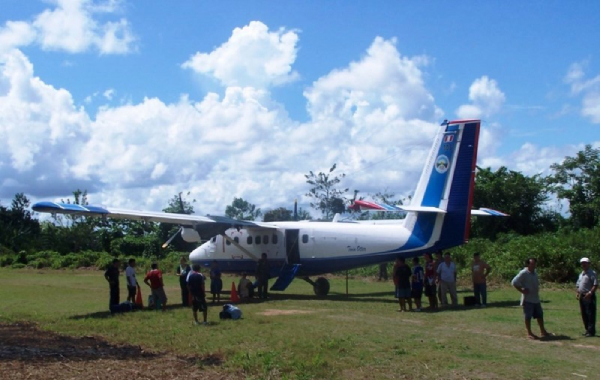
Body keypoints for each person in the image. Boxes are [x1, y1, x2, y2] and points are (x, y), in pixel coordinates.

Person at [512, 258, 550, 340]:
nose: (533, 265)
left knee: (540, 315)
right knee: (528, 316)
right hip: (528, 299)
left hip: (536, 298)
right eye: (532, 264)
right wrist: (521, 290)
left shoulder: (534, 273)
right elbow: (514, 282)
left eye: (534, 264)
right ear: (528, 264)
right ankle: (529, 333)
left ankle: (543, 331)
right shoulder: (524, 273)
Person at [576, 257, 598, 337]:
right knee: (584, 313)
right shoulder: (581, 274)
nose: (583, 264)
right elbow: (578, 284)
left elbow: (595, 285)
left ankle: (591, 331)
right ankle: (587, 330)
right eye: (582, 263)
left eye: (585, 263)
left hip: (588, 295)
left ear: (588, 264)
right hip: (582, 296)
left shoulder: (592, 273)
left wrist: (590, 293)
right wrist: (578, 292)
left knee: (590, 313)